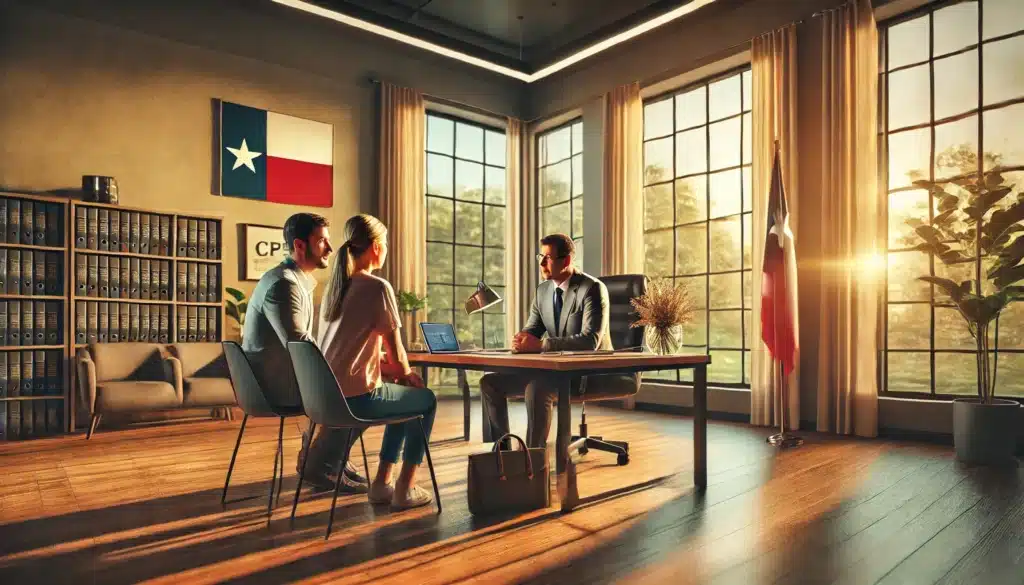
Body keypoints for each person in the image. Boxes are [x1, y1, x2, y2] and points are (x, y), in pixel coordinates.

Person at [241, 212, 367, 494]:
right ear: (300, 245)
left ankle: (328, 459)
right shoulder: (284, 284)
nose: (331, 249)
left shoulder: (292, 280)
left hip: (277, 379)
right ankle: (323, 466)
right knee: (356, 388)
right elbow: (299, 344)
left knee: (347, 379)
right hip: (273, 387)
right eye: (322, 241)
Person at [317, 213, 437, 510]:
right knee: (426, 401)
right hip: (357, 401)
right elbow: (398, 359)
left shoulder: (335, 290)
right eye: (384, 242)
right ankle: (403, 489)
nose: (385, 247)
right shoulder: (377, 287)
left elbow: (345, 351)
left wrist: (396, 373)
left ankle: (382, 485)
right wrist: (405, 373)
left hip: (326, 399)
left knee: (403, 396)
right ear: (374, 247)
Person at [479, 233, 640, 449]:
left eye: (547, 258)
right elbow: (533, 330)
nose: (541, 263)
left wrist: (541, 345)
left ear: (566, 261)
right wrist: (522, 340)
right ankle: (504, 455)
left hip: (591, 373)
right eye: (540, 257)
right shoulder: (543, 291)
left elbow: (590, 340)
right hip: (554, 372)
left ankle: (534, 460)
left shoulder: (591, 289)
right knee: (490, 383)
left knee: (537, 389)